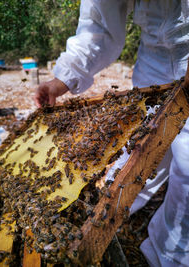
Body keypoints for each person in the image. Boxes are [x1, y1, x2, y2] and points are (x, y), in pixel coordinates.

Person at [35, 1, 189, 266]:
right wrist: (64, 78)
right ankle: (103, 224)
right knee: (134, 153)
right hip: (154, 59)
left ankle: (171, 256)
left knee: (187, 170)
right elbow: (98, 25)